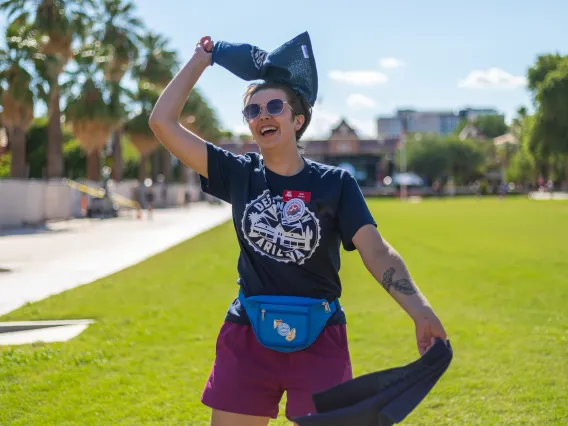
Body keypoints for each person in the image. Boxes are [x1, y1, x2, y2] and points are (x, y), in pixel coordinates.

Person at [149, 34, 448, 426]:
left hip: (321, 334)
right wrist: (202, 60)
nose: (263, 115)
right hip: (248, 332)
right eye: (252, 110)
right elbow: (161, 122)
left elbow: (377, 251)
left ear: (298, 119)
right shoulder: (237, 173)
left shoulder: (335, 183)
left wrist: (419, 309)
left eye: (275, 106)